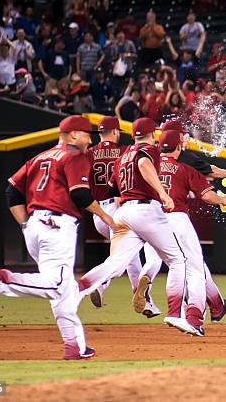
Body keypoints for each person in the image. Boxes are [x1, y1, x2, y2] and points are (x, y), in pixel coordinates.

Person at [0, 116, 121, 360]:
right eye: (87, 134)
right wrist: (107, 218)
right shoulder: (74, 156)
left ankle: (75, 346)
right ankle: (1, 281)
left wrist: (24, 224)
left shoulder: (39, 157)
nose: (90, 139)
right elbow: (80, 195)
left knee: (64, 289)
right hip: (57, 225)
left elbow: (11, 191)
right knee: (56, 285)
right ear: (74, 134)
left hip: (34, 226)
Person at [76, 118, 204, 336]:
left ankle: (77, 289)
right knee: (178, 260)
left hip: (123, 211)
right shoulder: (150, 150)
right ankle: (174, 313)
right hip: (146, 210)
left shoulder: (123, 154)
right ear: (152, 133)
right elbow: (144, 164)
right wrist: (163, 193)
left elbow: (111, 191)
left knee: (116, 262)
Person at [155, 130, 226, 322]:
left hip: (151, 222)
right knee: (195, 269)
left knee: (179, 265)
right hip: (176, 219)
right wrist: (223, 199)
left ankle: (212, 306)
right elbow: (207, 196)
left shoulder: (147, 165)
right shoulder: (183, 167)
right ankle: (194, 317)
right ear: (179, 146)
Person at [85, 117, 154, 315]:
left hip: (98, 213)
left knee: (129, 256)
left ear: (100, 134)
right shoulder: (125, 152)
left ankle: (144, 302)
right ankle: (100, 282)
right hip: (119, 208)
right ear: (115, 132)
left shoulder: (89, 154)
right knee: (128, 254)